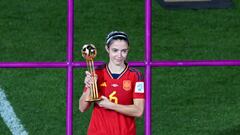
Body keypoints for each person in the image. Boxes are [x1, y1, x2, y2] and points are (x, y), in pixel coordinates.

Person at [79, 31, 145, 135]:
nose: (119, 55)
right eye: (115, 50)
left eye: (124, 51)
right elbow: (82, 108)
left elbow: (138, 111)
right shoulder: (97, 73)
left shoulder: (136, 75)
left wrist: (110, 105)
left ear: (128, 50)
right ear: (107, 49)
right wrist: (90, 86)